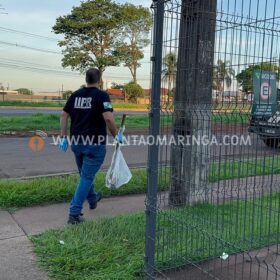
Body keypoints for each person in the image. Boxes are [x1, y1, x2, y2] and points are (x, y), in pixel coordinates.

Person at [58, 68, 123, 224]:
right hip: (94, 144)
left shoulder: (75, 95)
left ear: (86, 79)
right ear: (99, 81)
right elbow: (108, 118)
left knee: (85, 176)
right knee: (86, 177)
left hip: (77, 143)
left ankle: (93, 198)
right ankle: (74, 214)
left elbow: (63, 115)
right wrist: (117, 136)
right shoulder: (102, 96)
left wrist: (62, 136)